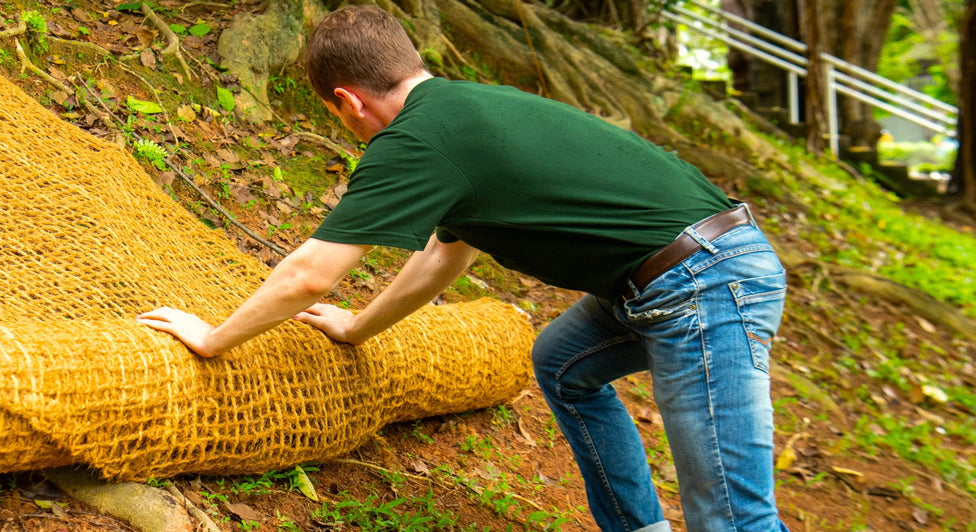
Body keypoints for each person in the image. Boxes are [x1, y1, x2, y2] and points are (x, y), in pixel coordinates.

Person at [138, 5, 788, 531]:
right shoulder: (463, 110)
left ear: (348, 101)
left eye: (337, 116)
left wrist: (212, 338)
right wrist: (356, 329)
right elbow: (445, 254)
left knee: (733, 519)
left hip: (702, 282)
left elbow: (311, 274)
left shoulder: (418, 137)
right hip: (670, 277)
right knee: (563, 364)